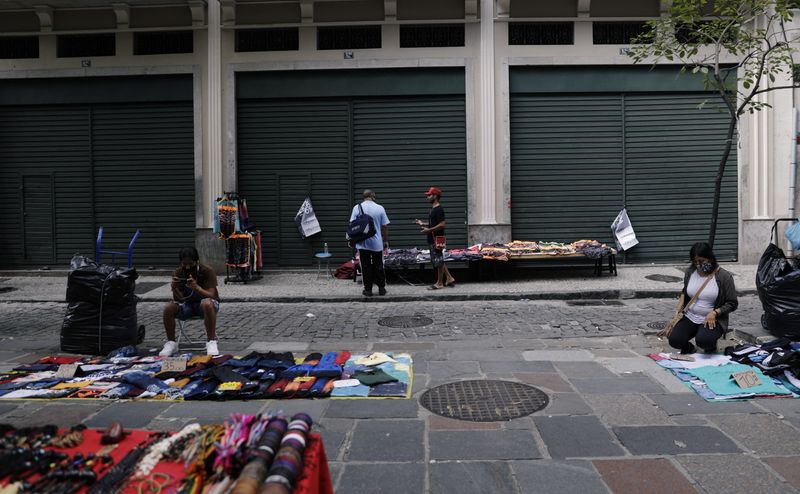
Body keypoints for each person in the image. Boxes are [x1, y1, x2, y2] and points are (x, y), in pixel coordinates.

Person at [667, 242, 738, 354]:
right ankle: (689, 347)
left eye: (701, 261)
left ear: (710, 258)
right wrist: (678, 310)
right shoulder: (690, 272)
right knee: (674, 340)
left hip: (711, 320)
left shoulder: (724, 277)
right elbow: (685, 291)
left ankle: (710, 345)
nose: (698, 265)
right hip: (690, 316)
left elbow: (732, 303)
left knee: (704, 341)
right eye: (695, 262)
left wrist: (715, 312)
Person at [160, 246, 221, 356]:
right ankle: (171, 343)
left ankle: (211, 342)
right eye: (184, 264)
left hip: (207, 305)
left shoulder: (206, 271)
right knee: (168, 307)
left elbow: (212, 295)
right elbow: (179, 299)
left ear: (197, 261)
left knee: (206, 303)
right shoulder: (178, 272)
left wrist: (197, 288)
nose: (187, 267)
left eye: (191, 264)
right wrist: (174, 288)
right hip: (188, 305)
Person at [350, 189, 390, 297]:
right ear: (372, 196)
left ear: (363, 197)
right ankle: (381, 289)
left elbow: (352, 225)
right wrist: (385, 240)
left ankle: (368, 290)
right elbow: (385, 226)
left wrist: (352, 240)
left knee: (366, 266)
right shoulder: (380, 208)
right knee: (379, 265)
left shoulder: (357, 208)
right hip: (377, 243)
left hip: (362, 243)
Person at [416, 186, 455, 290]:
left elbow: (442, 224)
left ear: (435, 196)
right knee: (439, 259)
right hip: (434, 238)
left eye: (429, 195)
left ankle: (439, 283)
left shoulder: (439, 209)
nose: (427, 197)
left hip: (436, 239)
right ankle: (449, 278)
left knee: (438, 261)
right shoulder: (433, 209)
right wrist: (423, 223)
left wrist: (428, 230)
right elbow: (433, 223)